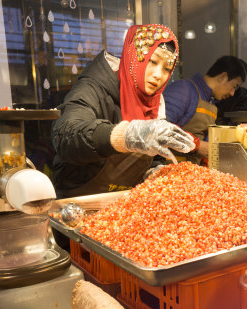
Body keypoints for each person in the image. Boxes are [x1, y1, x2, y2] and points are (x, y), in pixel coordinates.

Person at [51, 24, 195, 198]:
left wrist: (155, 173)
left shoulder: (156, 102)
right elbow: (65, 136)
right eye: (153, 61)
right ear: (135, 57)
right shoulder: (94, 87)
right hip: (78, 199)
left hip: (123, 204)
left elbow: (152, 152)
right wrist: (125, 135)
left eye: (166, 69)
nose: (158, 75)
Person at [162, 56, 247, 163]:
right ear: (223, 77)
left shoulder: (212, 102)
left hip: (193, 171)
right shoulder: (183, 89)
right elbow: (161, 127)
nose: (232, 93)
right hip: (169, 167)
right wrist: (196, 144)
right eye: (234, 86)